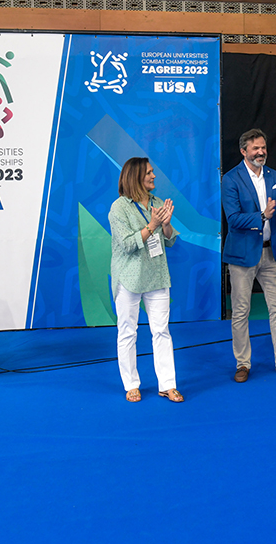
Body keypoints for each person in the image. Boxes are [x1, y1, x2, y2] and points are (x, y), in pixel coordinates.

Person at [222, 128, 276, 383]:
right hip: (242, 256)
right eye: (255, 148)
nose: (261, 152)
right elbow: (233, 219)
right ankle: (242, 363)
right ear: (243, 151)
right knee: (241, 311)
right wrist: (262, 216)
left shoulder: (274, 175)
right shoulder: (231, 179)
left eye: (263, 147)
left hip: (271, 252)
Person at [108, 157, 184, 403]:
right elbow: (127, 244)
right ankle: (131, 384)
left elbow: (169, 240)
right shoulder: (119, 208)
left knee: (161, 330)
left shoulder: (157, 203)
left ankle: (168, 384)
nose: (154, 176)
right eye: (149, 172)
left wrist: (166, 225)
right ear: (136, 177)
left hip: (157, 276)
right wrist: (153, 224)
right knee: (127, 332)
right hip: (129, 278)